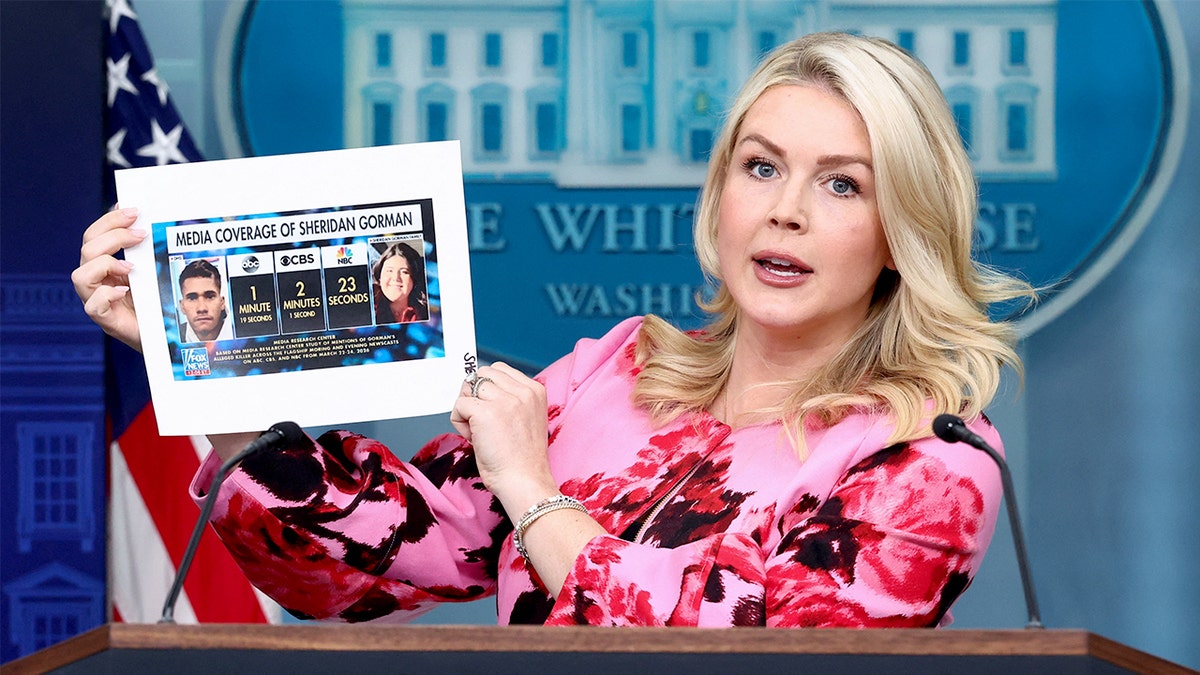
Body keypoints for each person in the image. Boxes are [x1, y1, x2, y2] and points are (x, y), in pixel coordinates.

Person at [72, 32, 1035, 627]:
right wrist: (205, 357)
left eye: (841, 183)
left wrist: (532, 488)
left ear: (901, 232)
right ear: (720, 195)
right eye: (760, 166)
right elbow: (362, 564)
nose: (785, 210)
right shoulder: (617, 372)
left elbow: (757, 642)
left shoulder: (931, 457)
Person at [371, 241, 429, 324]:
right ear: (380, 276)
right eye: (389, 270)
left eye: (404, 272)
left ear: (414, 279)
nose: (396, 278)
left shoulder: (426, 312)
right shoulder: (369, 305)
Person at [176, 258, 233, 342]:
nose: (202, 308)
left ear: (222, 302)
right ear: (182, 306)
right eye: (192, 298)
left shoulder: (242, 331)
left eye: (210, 297)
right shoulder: (173, 338)